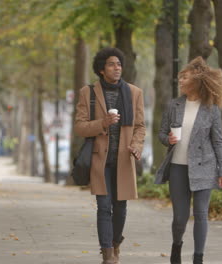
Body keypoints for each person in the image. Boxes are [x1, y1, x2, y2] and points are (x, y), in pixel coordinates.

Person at [156, 57, 222, 264]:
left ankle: (198, 258)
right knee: (180, 218)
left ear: (196, 81)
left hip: (204, 167)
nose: (180, 81)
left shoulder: (212, 108)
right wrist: (167, 139)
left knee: (200, 214)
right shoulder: (174, 105)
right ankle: (176, 246)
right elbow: (161, 133)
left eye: (184, 77)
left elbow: (218, 140)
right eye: (180, 77)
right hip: (178, 168)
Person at [74, 47, 146, 264]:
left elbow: (140, 126)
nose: (117, 68)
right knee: (104, 207)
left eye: (119, 64)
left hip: (124, 159)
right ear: (101, 69)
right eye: (111, 64)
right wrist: (102, 123)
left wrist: (135, 146)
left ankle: (115, 245)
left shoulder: (134, 93)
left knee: (121, 208)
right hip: (100, 160)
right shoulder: (88, 92)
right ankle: (108, 255)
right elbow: (80, 127)